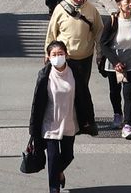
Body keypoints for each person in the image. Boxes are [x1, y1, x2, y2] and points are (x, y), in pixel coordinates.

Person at [27, 41, 96, 193]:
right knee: (53, 158)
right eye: (54, 54)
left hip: (69, 122)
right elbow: (36, 104)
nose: (58, 57)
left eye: (60, 54)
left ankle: (59, 172)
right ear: (48, 57)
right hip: (50, 124)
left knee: (68, 155)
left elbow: (84, 97)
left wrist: (88, 119)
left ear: (66, 54)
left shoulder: (74, 72)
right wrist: (33, 128)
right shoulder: (45, 76)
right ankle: (54, 189)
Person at [98, 0, 131, 139]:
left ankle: (127, 125)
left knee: (129, 93)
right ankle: (117, 114)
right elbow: (103, 44)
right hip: (114, 57)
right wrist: (115, 62)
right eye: (127, 2)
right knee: (115, 91)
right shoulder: (112, 21)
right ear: (119, 4)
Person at [45, 0, 100, 88]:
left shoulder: (91, 9)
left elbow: (99, 31)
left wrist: (100, 53)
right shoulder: (60, 9)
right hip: (66, 58)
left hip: (85, 58)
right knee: (66, 88)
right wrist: (47, 53)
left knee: (82, 89)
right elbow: (51, 32)